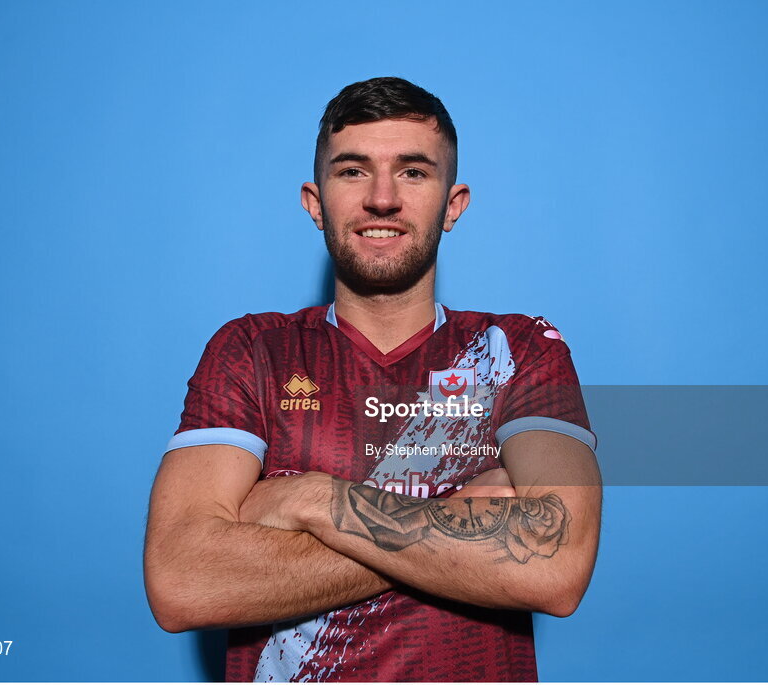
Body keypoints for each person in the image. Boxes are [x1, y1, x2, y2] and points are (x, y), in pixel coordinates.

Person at [143, 76, 602, 682]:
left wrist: (306, 498)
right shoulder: (251, 350)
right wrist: (461, 515)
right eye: (353, 171)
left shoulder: (517, 350)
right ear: (315, 202)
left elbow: (558, 562)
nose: (382, 199)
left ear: (453, 204)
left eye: (413, 172)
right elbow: (183, 581)